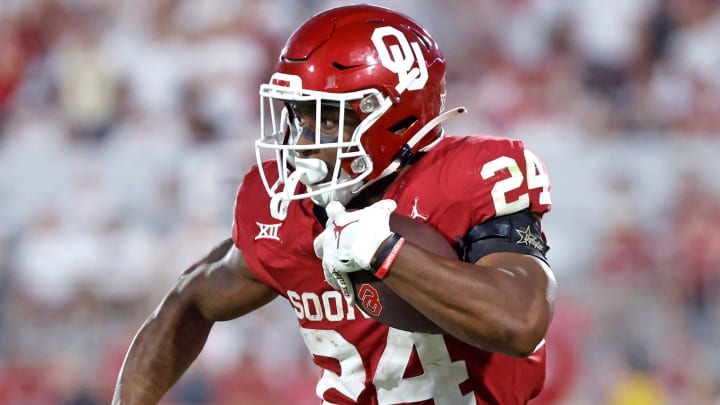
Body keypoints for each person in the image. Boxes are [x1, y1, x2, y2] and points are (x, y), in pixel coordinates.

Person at [112, 4, 557, 405]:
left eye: (325, 118)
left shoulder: (471, 176)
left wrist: (386, 254)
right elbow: (191, 300)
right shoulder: (283, 208)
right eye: (297, 115)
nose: (301, 141)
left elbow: (520, 322)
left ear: (392, 115)